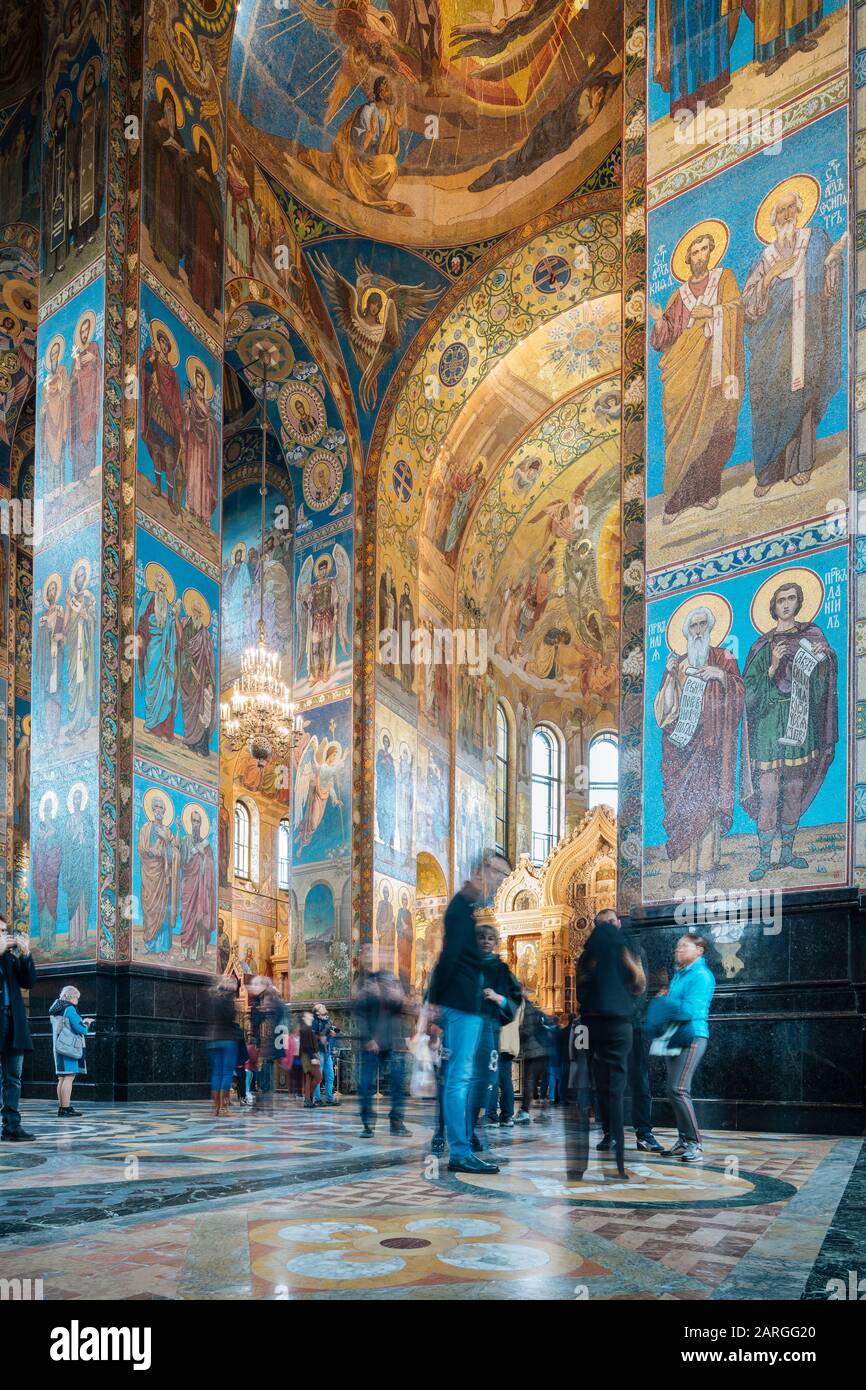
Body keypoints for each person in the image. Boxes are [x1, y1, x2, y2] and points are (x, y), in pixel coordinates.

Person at [428, 852, 508, 1173]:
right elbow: (448, 959)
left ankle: (461, 1147)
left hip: (463, 1004)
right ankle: (459, 1152)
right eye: (498, 874)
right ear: (479, 873)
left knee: (461, 1078)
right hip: (460, 1005)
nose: (501, 882)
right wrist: (435, 1002)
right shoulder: (461, 909)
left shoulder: (466, 909)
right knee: (459, 1080)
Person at [575, 909, 646, 1178]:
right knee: (617, 1090)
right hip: (620, 1025)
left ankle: (581, 1162)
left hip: (590, 1024)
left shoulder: (587, 957)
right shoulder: (625, 951)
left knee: (592, 1084)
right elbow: (639, 985)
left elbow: (581, 994)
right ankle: (619, 1161)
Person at [647, 934, 717, 1163]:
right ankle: (683, 1140)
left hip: (693, 1034)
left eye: (684, 946)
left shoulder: (701, 976)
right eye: (677, 946)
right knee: (672, 1089)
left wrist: (665, 1003)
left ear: (700, 950)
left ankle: (695, 1144)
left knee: (678, 1088)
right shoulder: (680, 975)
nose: (678, 950)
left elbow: (691, 1008)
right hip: (675, 1033)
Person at [470, 923, 522, 1149]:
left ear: (495, 942)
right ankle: (461, 1129)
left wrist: (498, 998)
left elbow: (514, 999)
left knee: (487, 1078)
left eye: (490, 938)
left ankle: (471, 1127)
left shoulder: (501, 969)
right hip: (468, 1026)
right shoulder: (466, 965)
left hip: (490, 1027)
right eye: (481, 937)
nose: (485, 941)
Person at [353, 942, 410, 1138]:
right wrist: (369, 1039)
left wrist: (397, 997)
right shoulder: (363, 982)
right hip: (371, 1043)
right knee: (366, 1084)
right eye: (365, 951)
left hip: (392, 1040)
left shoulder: (392, 979)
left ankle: (397, 1122)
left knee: (397, 1084)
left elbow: (400, 1007)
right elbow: (358, 1013)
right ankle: (368, 1122)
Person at [0, 920, 36, 1141]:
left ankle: (12, 1126)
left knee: (13, 1077)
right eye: (0, 931)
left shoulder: (10, 960)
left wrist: (26, 954)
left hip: (13, 1024)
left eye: (4, 931)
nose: (5, 935)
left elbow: (29, 982)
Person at [50, 985, 94, 1117]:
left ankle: (62, 1107)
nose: (77, 1001)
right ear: (71, 997)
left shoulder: (56, 1009)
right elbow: (81, 1030)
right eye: (76, 998)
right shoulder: (69, 1009)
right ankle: (66, 1108)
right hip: (69, 1048)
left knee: (62, 1078)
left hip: (59, 1046)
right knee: (69, 1077)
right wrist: (86, 1022)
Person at [206, 977, 243, 1118]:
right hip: (227, 1039)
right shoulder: (229, 1001)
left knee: (216, 1073)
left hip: (213, 1038)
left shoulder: (212, 1000)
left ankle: (215, 1108)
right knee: (226, 1073)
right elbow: (230, 1019)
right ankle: (223, 1109)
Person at [487, 994, 523, 1127]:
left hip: (499, 1043)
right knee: (506, 1081)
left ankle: (491, 1116)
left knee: (493, 1079)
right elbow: (519, 1021)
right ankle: (507, 1116)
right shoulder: (519, 998)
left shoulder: (498, 995)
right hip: (512, 1044)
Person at [514, 997, 550, 1124]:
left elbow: (528, 1030)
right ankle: (543, 1113)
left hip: (534, 1051)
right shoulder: (531, 1008)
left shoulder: (526, 1008)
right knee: (535, 1082)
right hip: (540, 1050)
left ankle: (524, 1112)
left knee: (528, 1081)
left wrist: (515, 1031)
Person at [312, 1002, 340, 1106]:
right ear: (317, 1012)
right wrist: (326, 1037)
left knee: (330, 1076)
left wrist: (331, 1034)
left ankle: (329, 1098)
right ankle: (317, 1099)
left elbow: (329, 1037)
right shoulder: (315, 1022)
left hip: (327, 1051)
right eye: (321, 1007)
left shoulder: (328, 1020)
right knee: (318, 1076)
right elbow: (313, 1038)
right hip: (319, 1051)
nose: (324, 1007)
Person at [299, 1011, 323, 1108]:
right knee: (318, 1077)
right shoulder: (305, 1028)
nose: (311, 1016)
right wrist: (313, 1057)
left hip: (310, 1055)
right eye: (309, 1015)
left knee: (309, 1078)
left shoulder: (309, 1028)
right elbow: (306, 1045)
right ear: (305, 1018)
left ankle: (308, 1100)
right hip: (308, 1056)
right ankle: (308, 1098)